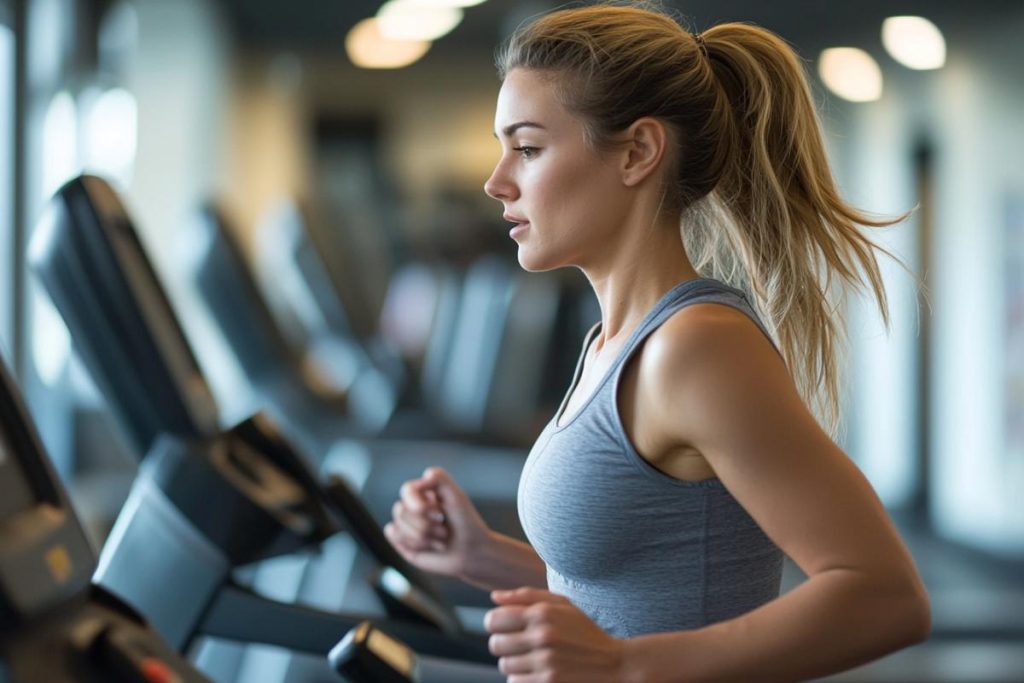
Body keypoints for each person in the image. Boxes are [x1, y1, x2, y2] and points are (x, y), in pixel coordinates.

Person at [383, 3, 931, 681]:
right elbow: (631, 595)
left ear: (638, 152)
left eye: (527, 147)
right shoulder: (608, 344)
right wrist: (482, 557)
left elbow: (885, 597)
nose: (497, 181)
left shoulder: (698, 348)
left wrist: (625, 665)